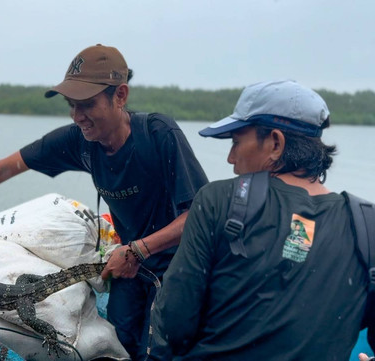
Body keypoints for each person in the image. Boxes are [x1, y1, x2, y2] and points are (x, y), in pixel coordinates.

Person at [0, 44, 209, 359]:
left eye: (87, 104)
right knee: (119, 343)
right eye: (71, 104)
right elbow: (2, 169)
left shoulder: (158, 134)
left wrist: (140, 248)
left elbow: (199, 215)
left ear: (120, 95)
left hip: (175, 265)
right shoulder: (80, 140)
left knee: (158, 350)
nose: (77, 115)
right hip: (128, 267)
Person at [150, 79, 372, 360]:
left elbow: (174, 323)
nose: (231, 158)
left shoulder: (217, 201)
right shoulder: (366, 224)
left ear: (276, 143)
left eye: (236, 142)